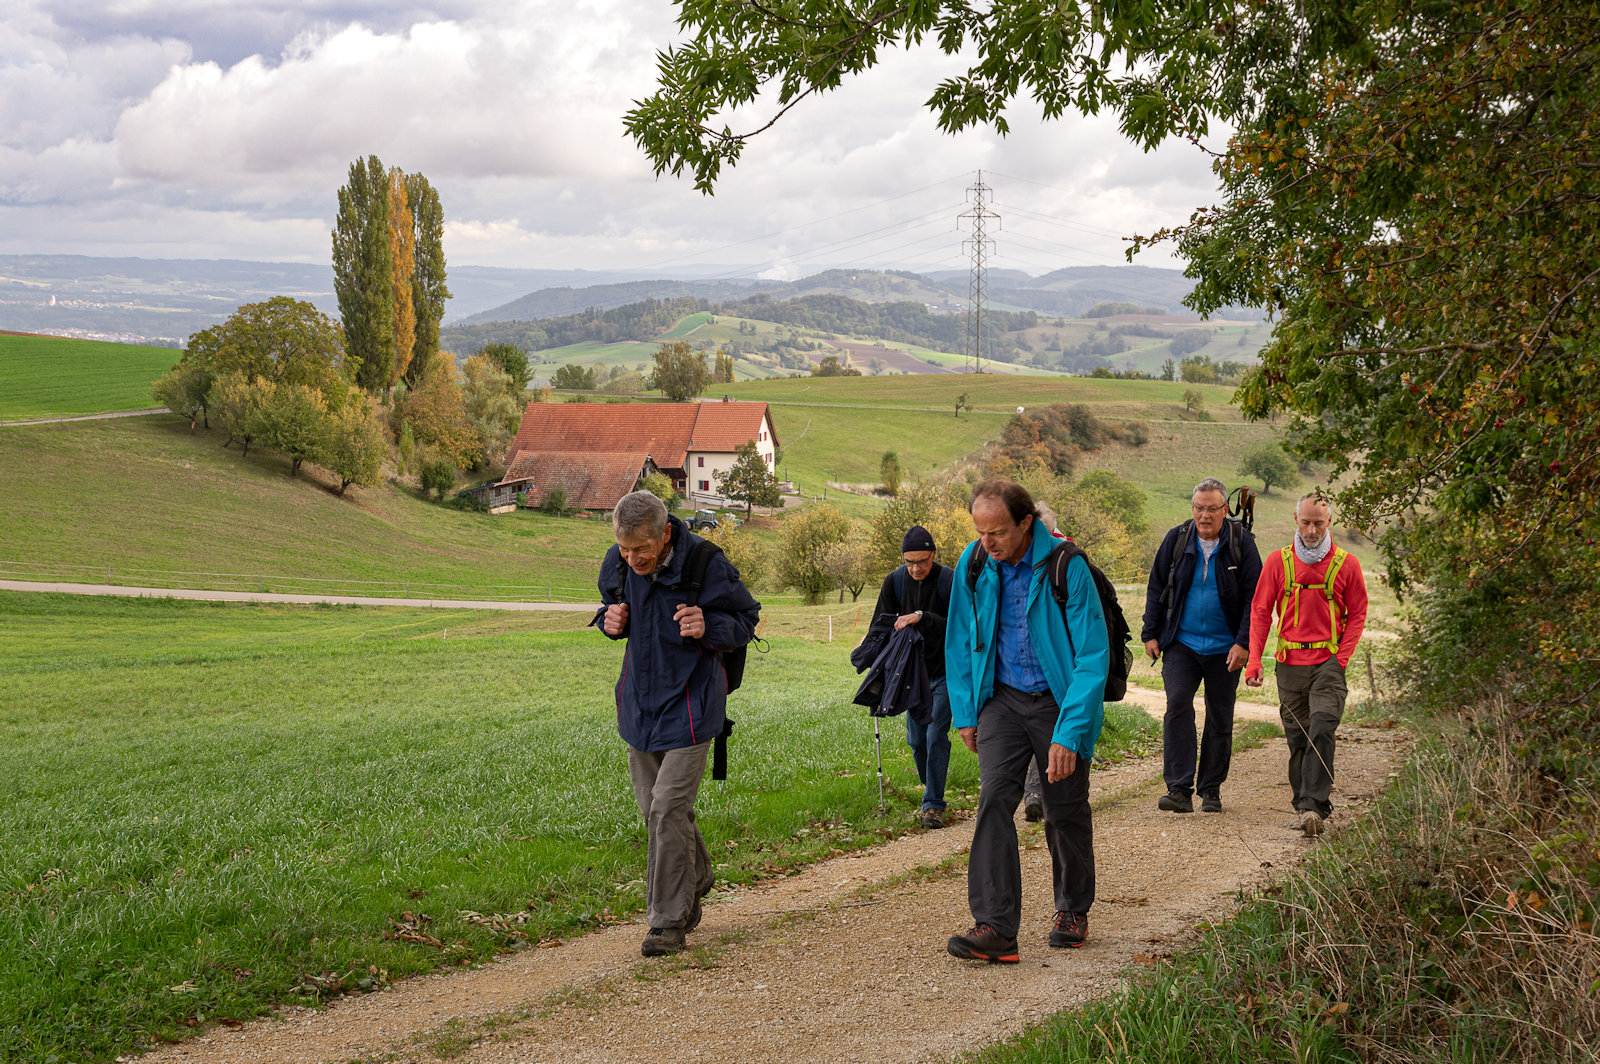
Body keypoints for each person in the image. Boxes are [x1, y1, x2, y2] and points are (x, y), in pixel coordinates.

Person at [944, 480, 1109, 963]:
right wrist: (966, 711)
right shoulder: (974, 566)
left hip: (1060, 701)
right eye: (980, 532)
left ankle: (1072, 909)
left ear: (1026, 523)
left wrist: (1070, 731)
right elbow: (958, 641)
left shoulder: (1066, 566)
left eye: (997, 532)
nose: (987, 543)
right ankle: (995, 926)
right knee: (995, 798)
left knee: (1063, 807)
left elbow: (1092, 657)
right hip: (1001, 701)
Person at [595, 491, 762, 956]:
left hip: (692, 706)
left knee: (667, 808)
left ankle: (667, 923)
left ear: (665, 533)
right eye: (625, 550)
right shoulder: (619, 562)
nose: (632, 559)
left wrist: (708, 624)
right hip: (639, 706)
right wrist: (609, 620)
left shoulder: (706, 563)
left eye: (641, 550)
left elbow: (747, 619)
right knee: (656, 812)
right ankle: (698, 874)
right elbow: (611, 608)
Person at [1244, 492, 1368, 837]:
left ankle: (1314, 804)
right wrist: (1254, 660)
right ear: (1295, 519)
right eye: (1306, 522)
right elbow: (1260, 612)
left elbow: (1358, 612)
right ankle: (1304, 803)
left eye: (1319, 523)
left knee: (1322, 727)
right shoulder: (1276, 562)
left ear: (1330, 522)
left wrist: (1341, 658)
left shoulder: (1348, 565)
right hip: (1289, 663)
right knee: (1298, 738)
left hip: (1328, 661)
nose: (1312, 530)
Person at [1141, 477, 1264, 814]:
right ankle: (1179, 790)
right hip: (1183, 642)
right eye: (1199, 508)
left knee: (1220, 716)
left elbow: (1256, 598)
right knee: (1178, 706)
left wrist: (1243, 644)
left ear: (1225, 510)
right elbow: (1156, 587)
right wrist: (1150, 633)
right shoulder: (1176, 540)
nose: (1205, 515)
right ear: (1192, 508)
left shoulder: (1242, 544)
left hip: (1227, 648)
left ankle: (1211, 790)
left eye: (1212, 509)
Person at [868, 525, 955, 828]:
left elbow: (962, 625)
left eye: (923, 561)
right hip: (911, 675)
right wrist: (872, 662)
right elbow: (880, 625)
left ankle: (933, 805)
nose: (917, 568)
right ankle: (931, 782)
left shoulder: (948, 580)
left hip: (946, 672)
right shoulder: (894, 582)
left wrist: (922, 617)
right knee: (916, 740)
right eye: (910, 562)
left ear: (934, 554)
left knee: (934, 735)